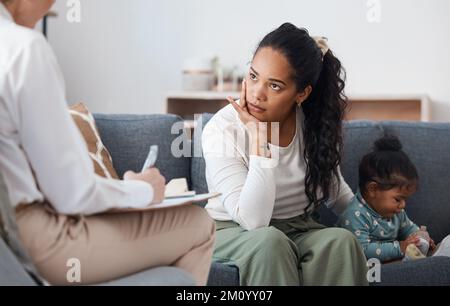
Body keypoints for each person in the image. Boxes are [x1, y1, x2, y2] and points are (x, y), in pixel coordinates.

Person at [0, 0, 214, 285]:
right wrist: (142, 189)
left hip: (16, 233)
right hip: (39, 238)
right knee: (198, 223)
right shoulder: (23, 49)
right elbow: (71, 195)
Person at [201, 22, 368, 286]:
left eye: (275, 86)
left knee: (341, 241)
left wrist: (384, 226)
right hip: (233, 230)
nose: (257, 94)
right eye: (254, 76)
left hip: (298, 228)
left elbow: (338, 194)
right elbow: (253, 221)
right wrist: (259, 139)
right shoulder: (222, 129)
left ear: (301, 93)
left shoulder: (314, 125)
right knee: (270, 242)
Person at [339, 134, 450, 262]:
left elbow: (409, 228)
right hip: (367, 267)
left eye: (405, 200)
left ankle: (434, 258)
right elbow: (362, 250)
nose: (403, 205)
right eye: (398, 199)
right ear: (373, 189)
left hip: (393, 260)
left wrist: (421, 238)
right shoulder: (356, 215)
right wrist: (401, 247)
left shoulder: (396, 212)